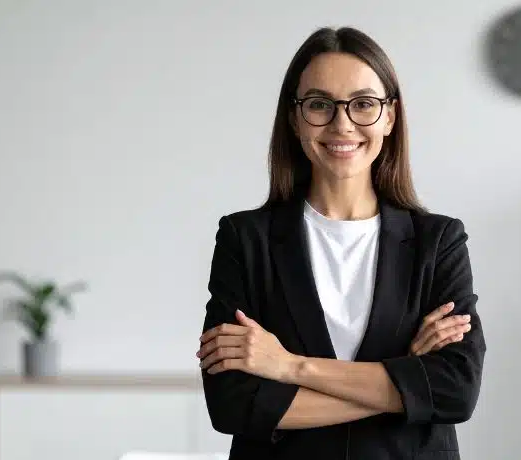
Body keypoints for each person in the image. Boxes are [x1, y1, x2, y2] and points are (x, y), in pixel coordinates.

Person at [196, 26, 486, 460]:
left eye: (363, 104)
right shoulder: (245, 239)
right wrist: (404, 385)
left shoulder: (438, 241)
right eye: (319, 105)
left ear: (389, 116)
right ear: (295, 118)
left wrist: (289, 367)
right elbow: (233, 404)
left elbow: (455, 392)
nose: (342, 124)